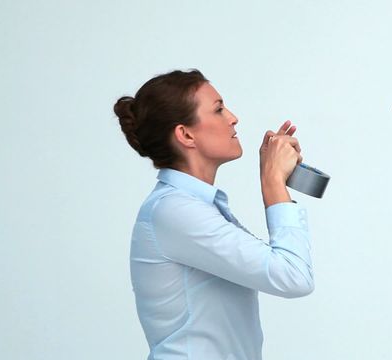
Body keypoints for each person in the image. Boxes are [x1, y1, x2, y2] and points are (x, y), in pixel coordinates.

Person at [113, 69, 314, 360]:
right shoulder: (174, 212)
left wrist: (272, 177)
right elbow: (293, 276)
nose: (233, 117)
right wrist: (271, 181)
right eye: (218, 109)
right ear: (185, 134)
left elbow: (276, 268)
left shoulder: (195, 207)